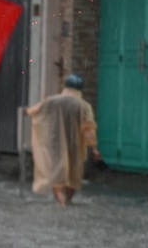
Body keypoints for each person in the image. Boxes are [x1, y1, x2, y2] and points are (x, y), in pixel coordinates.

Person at [26, 74, 101, 207]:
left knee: (57, 173)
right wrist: (94, 149)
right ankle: (67, 201)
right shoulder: (84, 106)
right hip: (75, 145)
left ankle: (61, 203)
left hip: (55, 144)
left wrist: (26, 111)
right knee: (74, 176)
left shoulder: (52, 101)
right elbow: (89, 128)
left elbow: (36, 111)